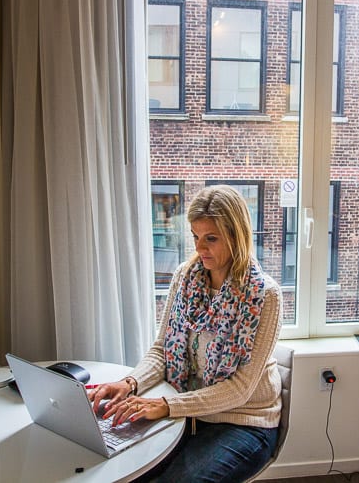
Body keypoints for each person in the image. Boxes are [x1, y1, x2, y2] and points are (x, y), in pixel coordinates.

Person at [88, 184, 283, 482]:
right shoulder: (185, 277)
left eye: (211, 238)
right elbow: (162, 350)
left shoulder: (265, 295)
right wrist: (130, 383)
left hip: (245, 422)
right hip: (189, 416)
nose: (199, 248)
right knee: (119, 469)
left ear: (236, 236)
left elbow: (240, 388)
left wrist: (166, 406)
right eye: (195, 236)